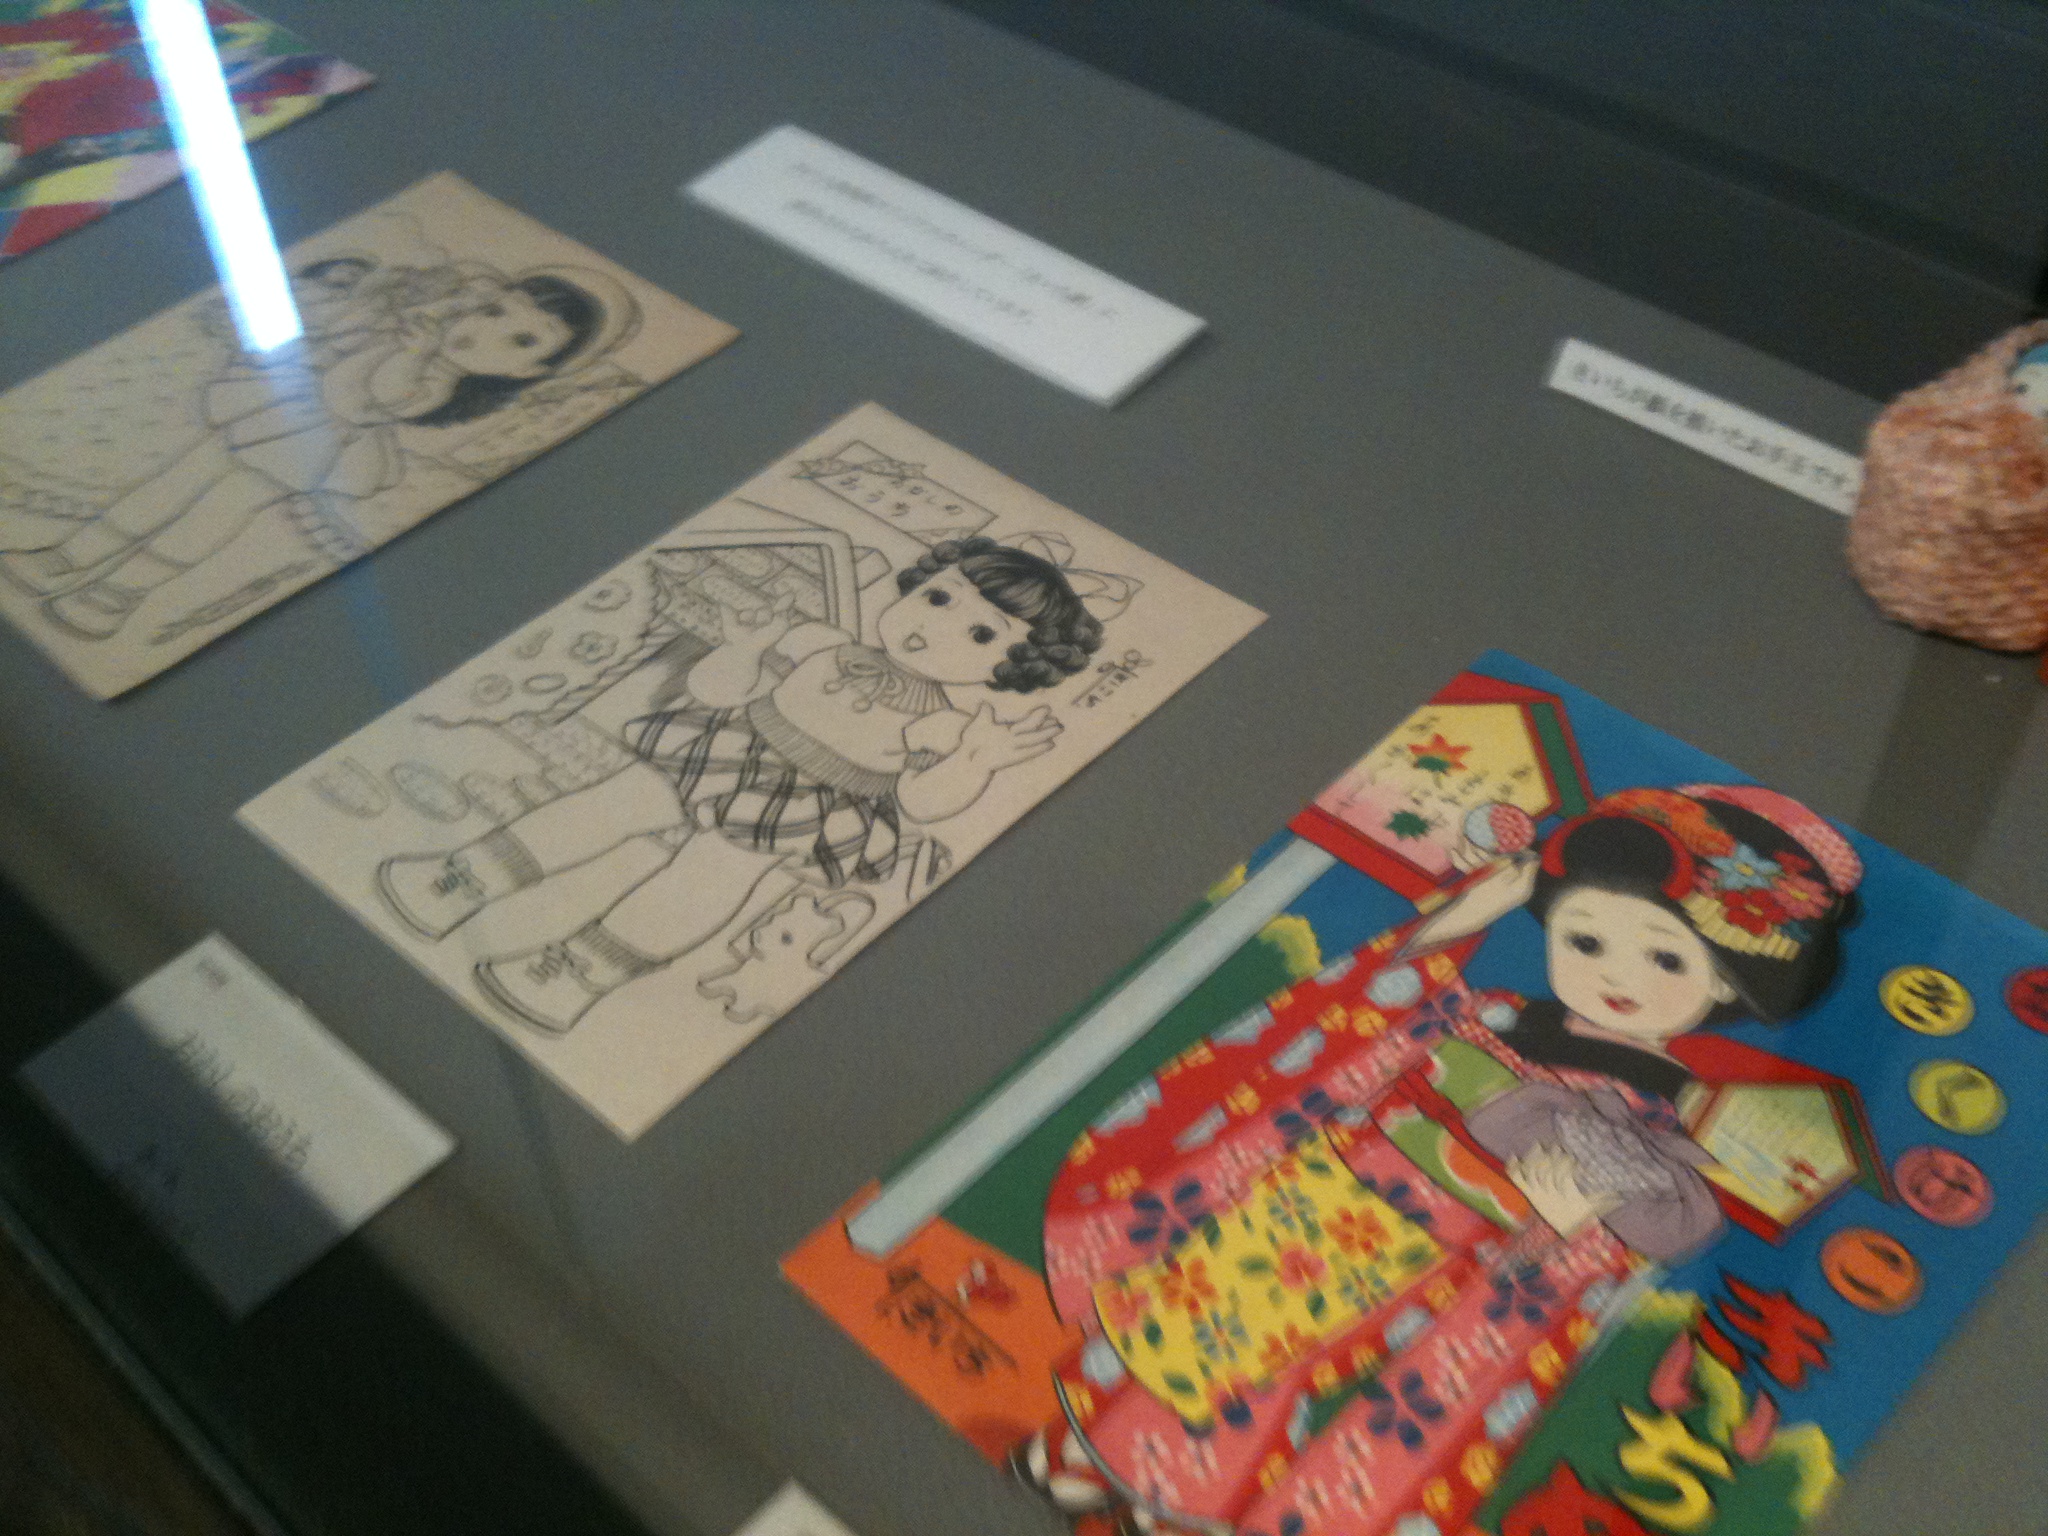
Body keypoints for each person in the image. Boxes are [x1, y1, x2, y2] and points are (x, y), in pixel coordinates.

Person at [1019, 783, 1861, 1536]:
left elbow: (1648, 1231)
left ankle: (1179, 1503)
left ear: (1725, 983)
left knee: (1305, 1378)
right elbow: (1381, 1005)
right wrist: (1467, 913)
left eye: (1667, 958)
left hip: (1450, 1258)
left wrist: (1565, 1224)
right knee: (1204, 1315)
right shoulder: (1494, 1012)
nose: (1617, 975)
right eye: (1586, 939)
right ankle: (1090, 1454)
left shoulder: (1655, 1112)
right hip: (1330, 1190)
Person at [376, 537, 1104, 1033]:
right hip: (728, 747)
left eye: (981, 635)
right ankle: (458, 879)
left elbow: (918, 802)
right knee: (607, 805)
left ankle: (573, 973)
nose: (935, 627)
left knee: (705, 879)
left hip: (812, 806)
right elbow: (718, 691)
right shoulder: (820, 642)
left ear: (1008, 669)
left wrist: (977, 760)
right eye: (941, 599)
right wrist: (748, 647)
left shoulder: (943, 721)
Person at [0, 256, 639, 638]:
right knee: (173, 482)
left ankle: (116, 593)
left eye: (523, 341)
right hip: (273, 410)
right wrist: (387, 314)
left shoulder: (435, 377)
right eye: (495, 311)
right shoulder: (408, 331)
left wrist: (414, 347)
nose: (484, 333)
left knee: (213, 511)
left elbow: (371, 398)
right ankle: (70, 554)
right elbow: (336, 336)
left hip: (311, 442)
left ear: (527, 373)